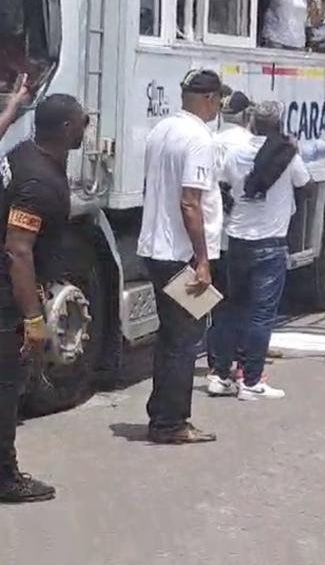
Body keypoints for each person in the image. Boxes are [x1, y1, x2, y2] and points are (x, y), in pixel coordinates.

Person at [0, 93, 85, 502]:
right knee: (6, 385)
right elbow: (18, 249)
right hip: (6, 299)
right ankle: (4, 476)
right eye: (83, 121)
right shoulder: (38, 181)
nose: (88, 126)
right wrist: (33, 320)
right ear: (67, 129)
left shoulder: (19, 153)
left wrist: (10, 109)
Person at [137, 69, 225, 444]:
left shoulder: (162, 130)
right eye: (218, 100)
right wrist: (202, 261)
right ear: (208, 100)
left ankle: (162, 415)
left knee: (171, 335)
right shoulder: (199, 139)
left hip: (155, 247)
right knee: (185, 338)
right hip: (181, 254)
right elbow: (191, 202)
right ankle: (171, 423)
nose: (219, 107)